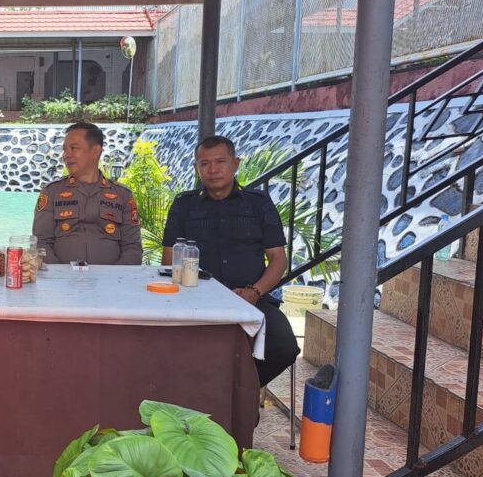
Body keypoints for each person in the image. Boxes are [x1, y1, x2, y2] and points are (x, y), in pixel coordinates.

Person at [161, 135, 300, 387]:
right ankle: (212, 394)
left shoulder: (258, 203)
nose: (212, 170)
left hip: (250, 298)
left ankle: (236, 393)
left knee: (284, 346)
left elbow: (278, 259)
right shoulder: (183, 204)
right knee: (167, 347)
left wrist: (254, 292)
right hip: (196, 299)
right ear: (196, 168)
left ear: (235, 164)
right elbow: (169, 259)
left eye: (220, 162)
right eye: (204, 164)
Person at [33, 122, 141, 265]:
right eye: (65, 149)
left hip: (112, 277)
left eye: (74, 148)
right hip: (60, 276)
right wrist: (60, 274)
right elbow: (40, 242)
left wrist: (114, 276)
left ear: (95, 151)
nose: (66, 155)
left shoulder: (123, 195)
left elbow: (133, 248)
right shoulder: (51, 192)